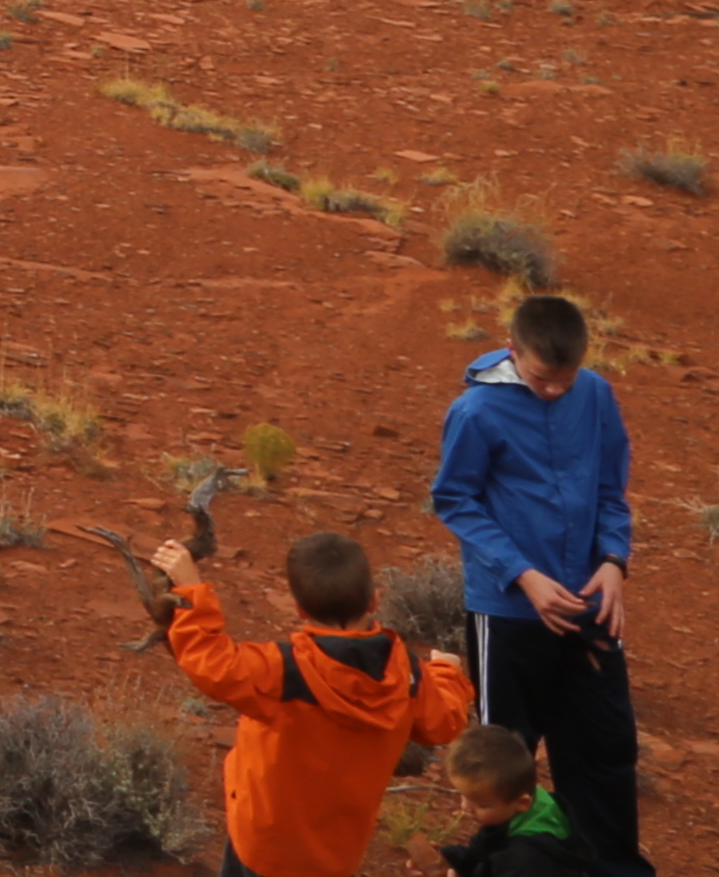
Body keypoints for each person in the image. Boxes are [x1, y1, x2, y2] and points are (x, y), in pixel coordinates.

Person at [431, 292, 643, 876]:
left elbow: (610, 490)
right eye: (543, 377)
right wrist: (523, 576)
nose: (556, 389)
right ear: (511, 350)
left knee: (606, 750)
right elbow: (455, 499)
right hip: (509, 613)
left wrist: (613, 563)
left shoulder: (595, 394)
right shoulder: (475, 412)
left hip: (590, 606)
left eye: (566, 378)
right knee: (505, 760)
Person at [159, 524, 474, 877]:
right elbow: (443, 722)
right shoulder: (408, 677)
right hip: (336, 855)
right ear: (374, 599)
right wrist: (446, 673)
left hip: (265, 846)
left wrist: (190, 590)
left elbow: (210, 661)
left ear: (300, 608)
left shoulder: (283, 671)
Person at [436, 723, 620, 875]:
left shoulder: (525, 860)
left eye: (482, 805)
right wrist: (448, 857)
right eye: (465, 797)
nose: (466, 807)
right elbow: (485, 854)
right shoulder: (527, 809)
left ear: (522, 803)